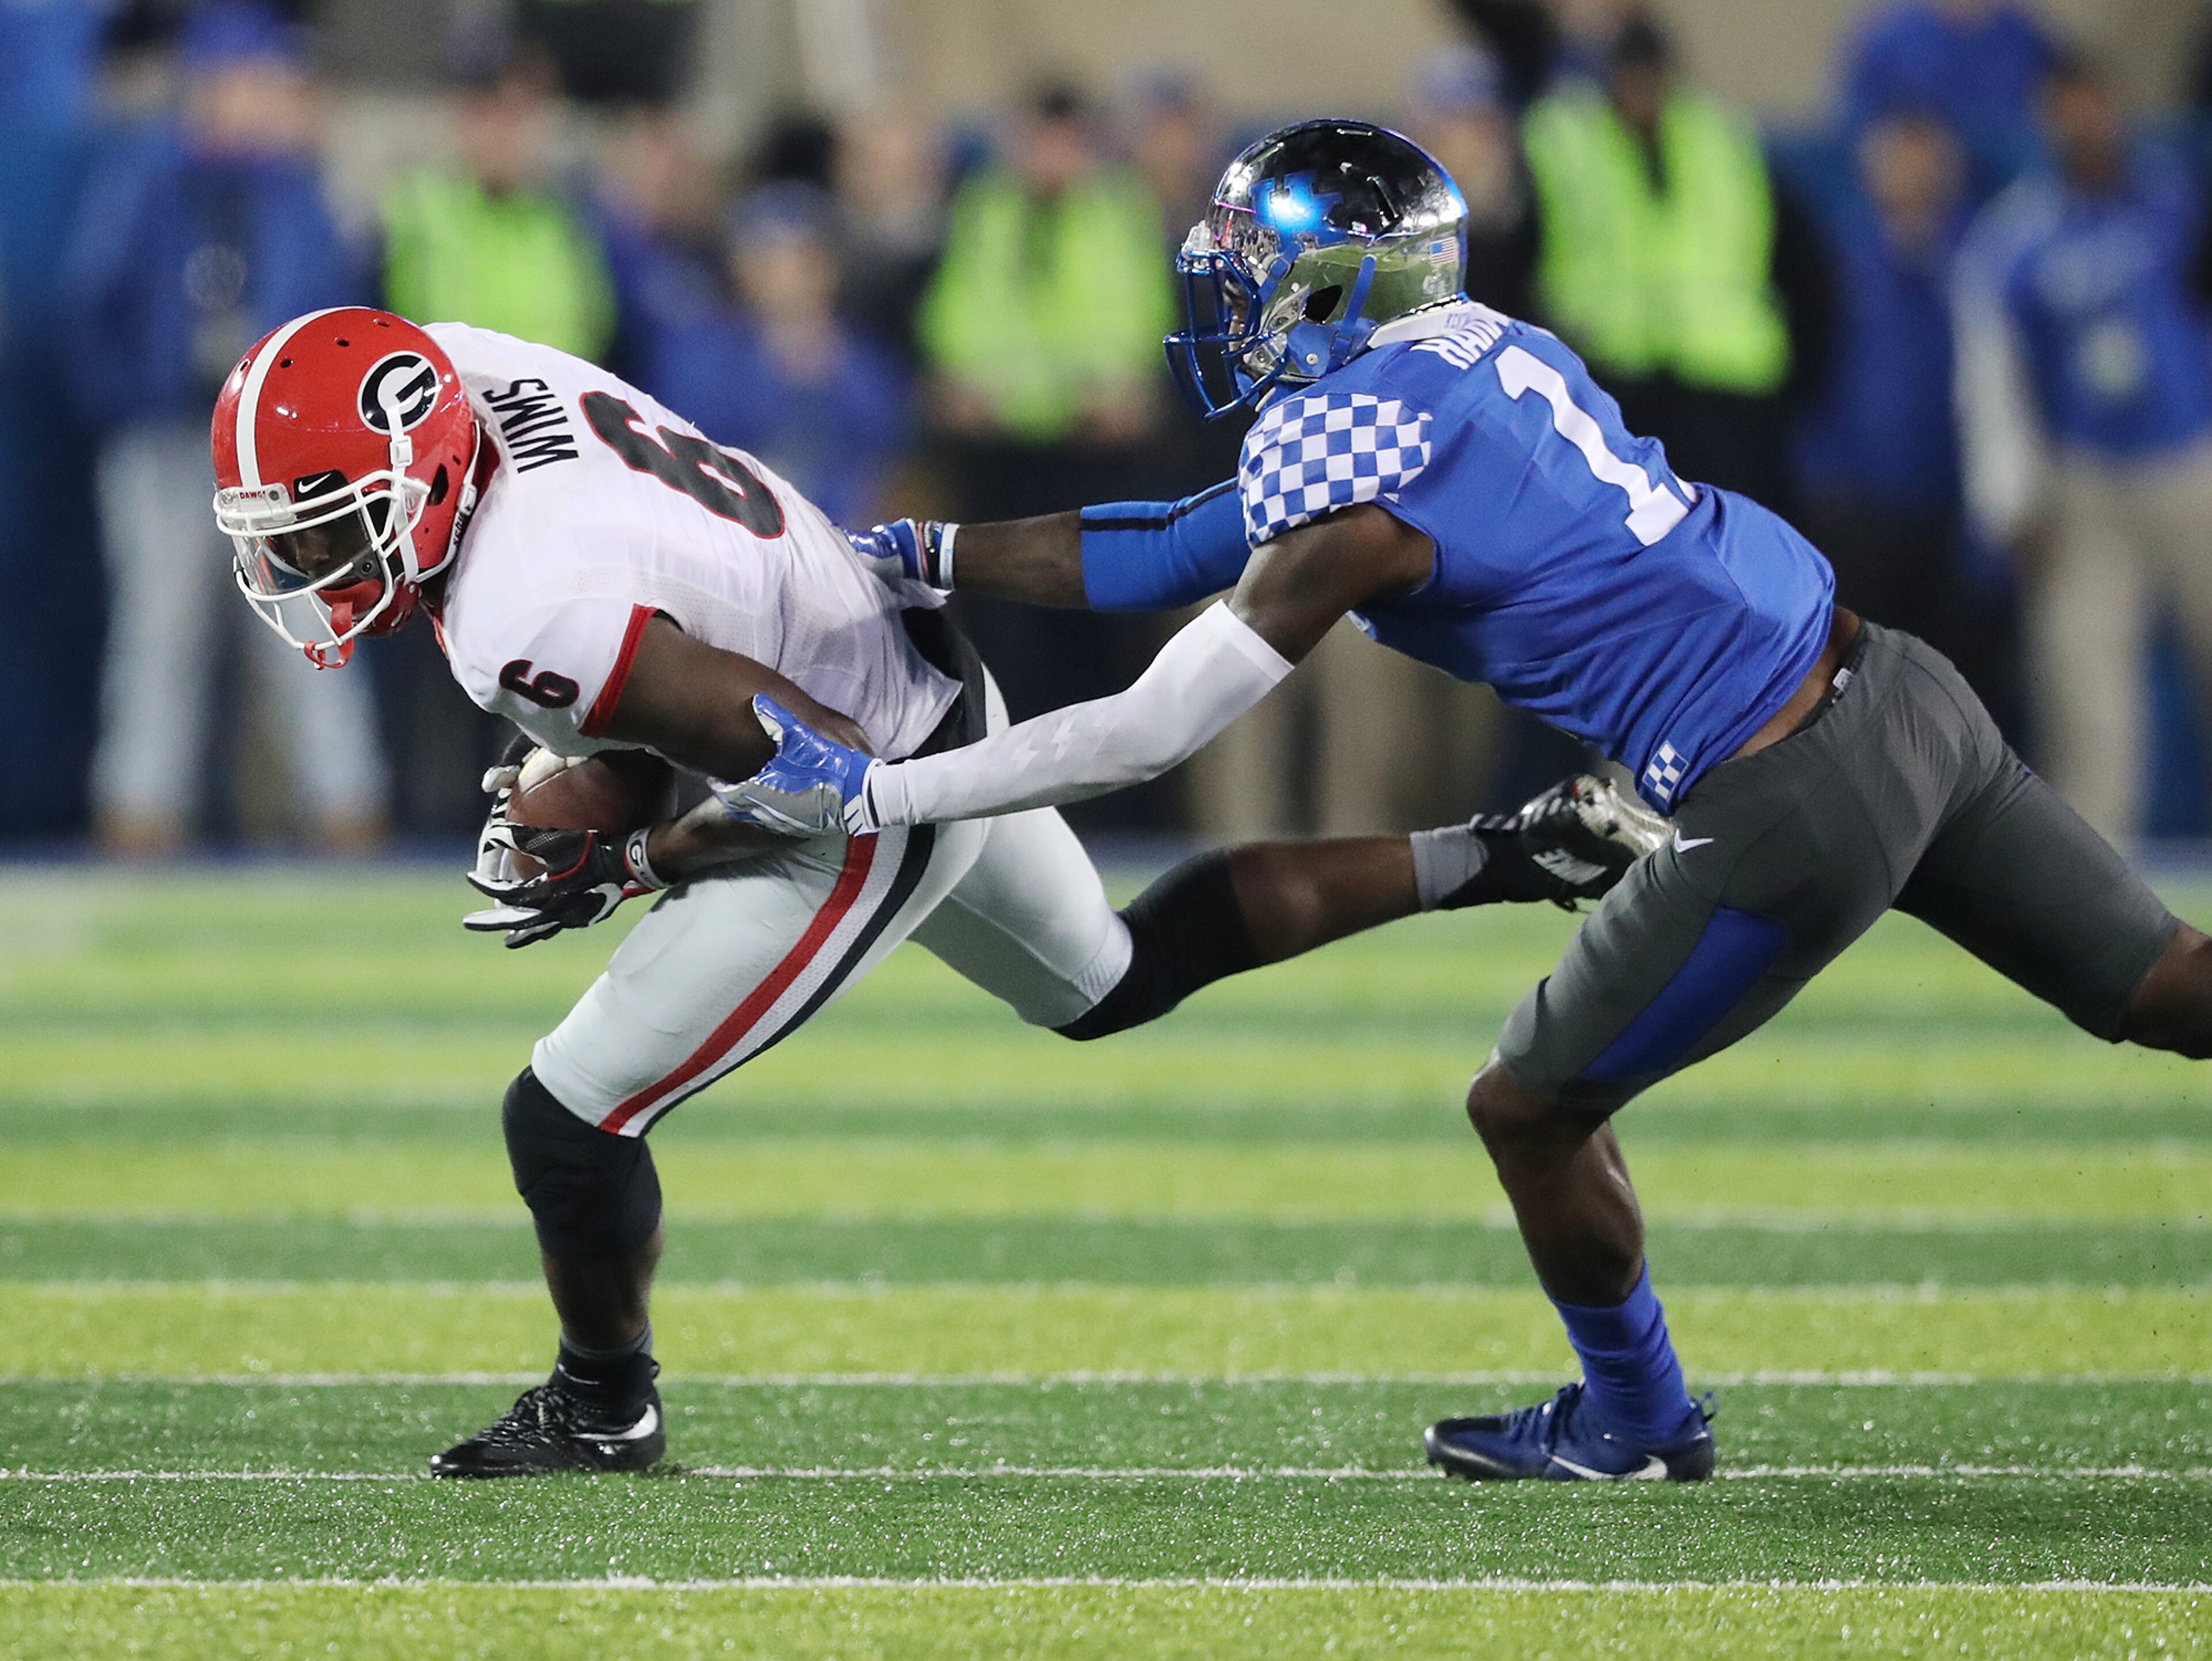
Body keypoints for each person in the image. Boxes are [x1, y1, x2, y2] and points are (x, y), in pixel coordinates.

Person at [725, 120, 2212, 1481]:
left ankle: (1635, 1419)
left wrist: (881, 789)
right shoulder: (1483, 346)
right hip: (1904, 691)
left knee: (1529, 1105)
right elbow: (1172, 541)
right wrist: (926, 552)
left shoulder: (1360, 489)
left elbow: (1141, 730)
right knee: (2165, 984)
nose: (1235, 309)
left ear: (1339, 287)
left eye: (1261, 279)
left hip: (1781, 790)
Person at [206, 302, 1661, 1475]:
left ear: (423, 469)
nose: (304, 556)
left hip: (868, 753)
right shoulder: (459, 362)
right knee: (1108, 983)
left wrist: (631, 854)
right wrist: (600, 777)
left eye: (328, 521)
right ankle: (1509, 850)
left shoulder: (524, 615)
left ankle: (604, 1407)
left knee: (567, 1117)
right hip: (890, 644)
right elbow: (663, 628)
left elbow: (803, 773)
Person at [63, 1, 388, 853]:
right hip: (169, 441)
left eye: (265, 83)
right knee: (158, 632)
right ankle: (139, 811)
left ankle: (346, 808)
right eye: (239, 82)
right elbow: (89, 308)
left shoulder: (302, 193)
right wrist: (140, 398)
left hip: (281, 462)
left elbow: (345, 328)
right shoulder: (146, 180)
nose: (255, 100)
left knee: (310, 633)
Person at [1955, 53, 2212, 841]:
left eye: (2094, 102)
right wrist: (2011, 498)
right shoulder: (2016, 236)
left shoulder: (2178, 204)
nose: (2084, 120)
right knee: (2088, 702)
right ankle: (2106, 905)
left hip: (2193, 465)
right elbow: (1991, 377)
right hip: (2085, 484)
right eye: (2066, 106)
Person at [1521, 14, 1828, 510]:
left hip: (1731, 386)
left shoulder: (1723, 141)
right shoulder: (1563, 143)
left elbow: (1804, 268)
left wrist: (1798, 386)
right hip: (1614, 384)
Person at [1793, 111, 2016, 725]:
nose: (1911, 171)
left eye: (1925, 155)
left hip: (1960, 510)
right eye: (1897, 156)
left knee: (1965, 696)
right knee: (1861, 695)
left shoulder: (1985, 253)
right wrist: (1823, 475)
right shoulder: (1841, 254)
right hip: (1866, 510)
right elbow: (1813, 368)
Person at [646, 184, 910, 531]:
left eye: (803, 258)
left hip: (844, 545)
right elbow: (676, 453)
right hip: (728, 538)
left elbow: (892, 462)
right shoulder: (701, 354)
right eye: (767, 258)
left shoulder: (865, 363)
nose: (786, 276)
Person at [1842, 0, 2056, 204]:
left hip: (2016, 189)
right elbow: (1861, 130)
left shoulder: (2020, 33)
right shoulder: (1889, 38)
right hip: (1927, 189)